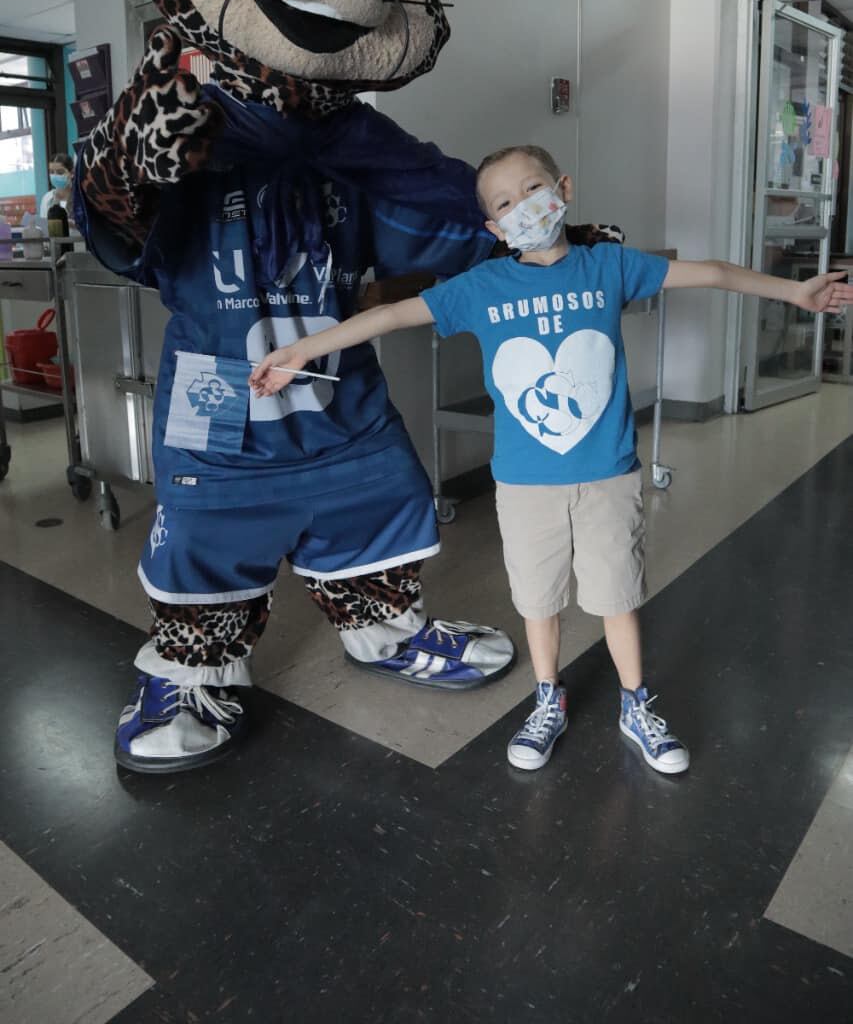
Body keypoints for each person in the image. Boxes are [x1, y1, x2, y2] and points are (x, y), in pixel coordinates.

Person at [251, 144, 853, 777]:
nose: (522, 208)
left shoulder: (608, 267)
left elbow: (713, 273)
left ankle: (635, 703)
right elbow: (394, 314)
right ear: (493, 227)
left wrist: (795, 291)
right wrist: (303, 350)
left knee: (617, 596)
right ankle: (547, 698)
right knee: (539, 602)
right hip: (525, 485)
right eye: (504, 203)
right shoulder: (480, 287)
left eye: (532, 189)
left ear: (562, 188)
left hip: (609, 475)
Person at [40, 153, 73, 219]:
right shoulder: (47, 198)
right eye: (52, 172)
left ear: (72, 173)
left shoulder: (80, 198)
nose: (55, 175)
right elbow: (44, 225)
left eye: (60, 172)